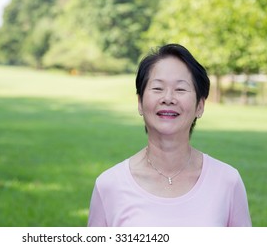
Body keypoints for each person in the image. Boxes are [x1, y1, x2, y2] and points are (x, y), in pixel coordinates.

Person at [87, 43, 252, 227]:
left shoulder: (227, 181)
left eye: (180, 89)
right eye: (157, 88)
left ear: (200, 106)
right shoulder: (109, 185)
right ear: (140, 102)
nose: (168, 98)